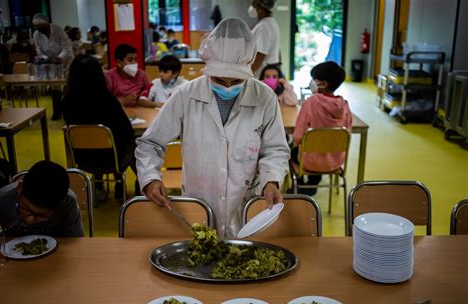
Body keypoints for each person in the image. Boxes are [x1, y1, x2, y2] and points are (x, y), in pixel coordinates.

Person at [135, 18, 290, 239]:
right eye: (219, 79)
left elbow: (275, 149)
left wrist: (271, 179)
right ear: (208, 69)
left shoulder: (264, 97)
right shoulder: (186, 95)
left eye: (235, 81)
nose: (227, 86)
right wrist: (150, 177)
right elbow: (150, 143)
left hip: (245, 207)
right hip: (198, 206)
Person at [61, 54, 137, 201]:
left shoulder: (67, 103)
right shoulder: (108, 101)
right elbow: (127, 130)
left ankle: (99, 187)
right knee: (136, 142)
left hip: (84, 159)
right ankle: (136, 185)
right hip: (113, 159)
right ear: (98, 75)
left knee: (95, 142)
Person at [292, 61, 352, 195]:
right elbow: (347, 134)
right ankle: (314, 182)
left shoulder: (311, 102)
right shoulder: (344, 105)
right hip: (335, 162)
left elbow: (297, 137)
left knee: (292, 152)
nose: (312, 81)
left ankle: (302, 186)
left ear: (324, 84)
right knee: (319, 150)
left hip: (309, 162)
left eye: (314, 79)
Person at [0, 160, 84, 237]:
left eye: (42, 215)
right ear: (20, 187)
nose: (30, 220)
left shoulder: (68, 202)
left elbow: (75, 242)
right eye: (26, 209)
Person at [32, 13, 74, 121]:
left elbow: (67, 47)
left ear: (47, 24)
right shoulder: (36, 34)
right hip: (52, 63)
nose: (40, 30)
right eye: (37, 28)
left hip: (66, 61)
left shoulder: (58, 30)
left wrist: (59, 58)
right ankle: (57, 112)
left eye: (41, 27)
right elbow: (39, 50)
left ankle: (68, 112)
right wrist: (46, 58)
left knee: (68, 86)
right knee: (55, 87)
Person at [248, 0, 280, 78]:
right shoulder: (270, 22)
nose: (252, 7)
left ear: (261, 8)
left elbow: (261, 54)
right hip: (267, 68)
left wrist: (249, 73)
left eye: (254, 5)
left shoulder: (264, 26)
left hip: (261, 71)